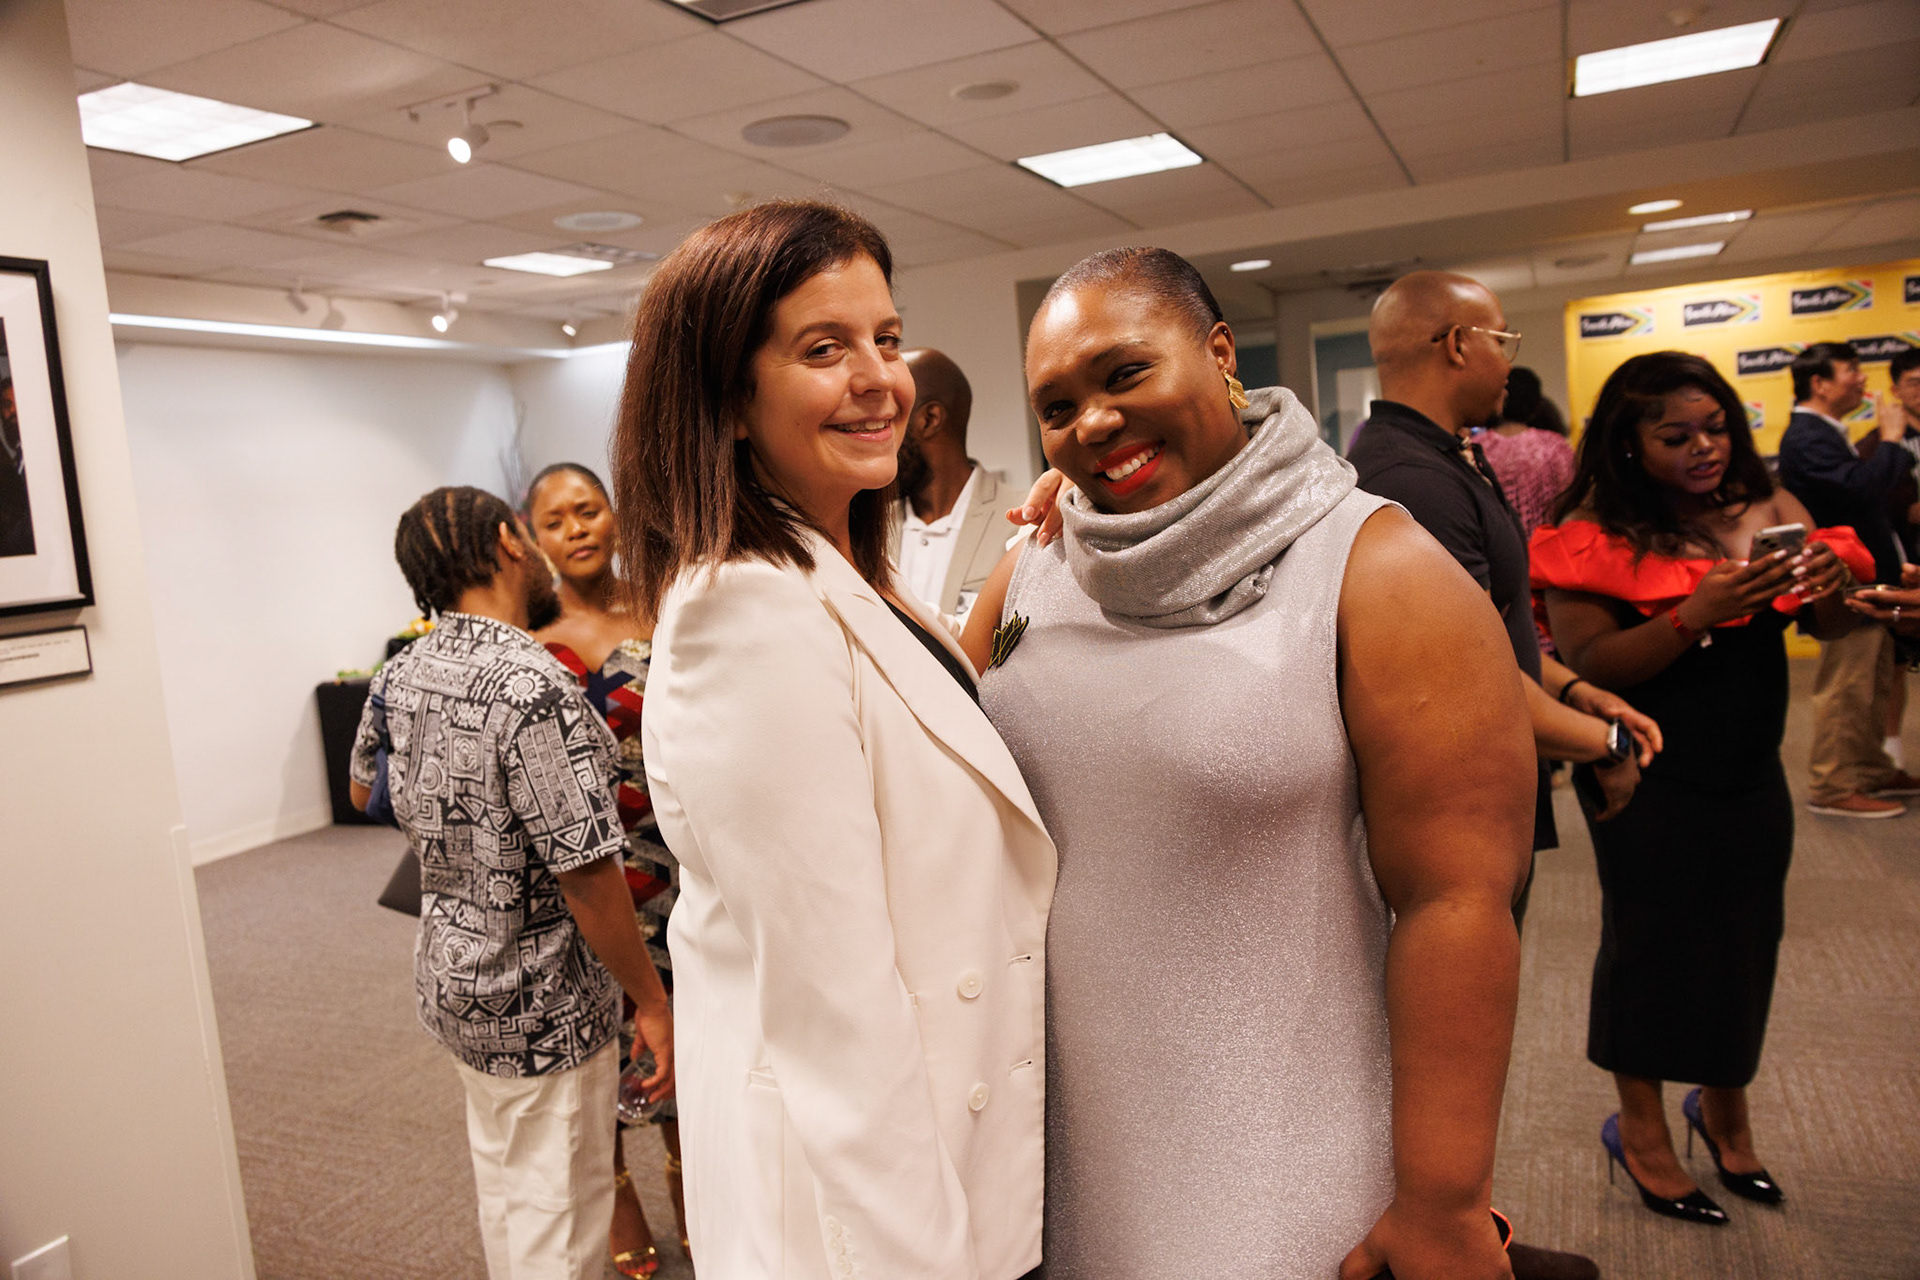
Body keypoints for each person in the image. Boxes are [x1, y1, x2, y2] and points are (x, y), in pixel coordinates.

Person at [971, 246, 1535, 1280]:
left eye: (1124, 373)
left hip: (1275, 1151)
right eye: (1057, 407)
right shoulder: (1032, 567)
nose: (1092, 421)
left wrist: (1444, 1200)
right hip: (1049, 1133)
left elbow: (1457, 899)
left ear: (1220, 353)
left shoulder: (1378, 567)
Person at [611, 200, 1054, 1280]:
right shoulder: (746, 614)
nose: (880, 379)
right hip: (869, 1218)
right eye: (824, 349)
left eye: (886, 338)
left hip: (955, 1136)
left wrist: (1054, 548)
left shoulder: (852, 570)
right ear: (728, 399)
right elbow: (837, 1014)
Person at [1530, 352, 1870, 1227]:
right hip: (1646, 770)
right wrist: (1694, 615)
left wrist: (1832, 586)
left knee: (1745, 943)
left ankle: (1725, 1115)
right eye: (1675, 436)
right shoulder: (1591, 530)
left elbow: (1831, 627)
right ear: (1629, 443)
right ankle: (1641, 1131)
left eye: (1715, 427)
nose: (1705, 448)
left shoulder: (1768, 503)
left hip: (1752, 769)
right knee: (1650, 951)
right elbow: (1594, 663)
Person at [348, 486, 674, 1280]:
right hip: (543, 1001)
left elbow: (362, 791)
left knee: (504, 1189)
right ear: (507, 541)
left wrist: (458, 824)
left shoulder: (404, 668)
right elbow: (587, 876)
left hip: (455, 982)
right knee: (559, 1221)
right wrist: (652, 1001)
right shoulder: (534, 686)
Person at [1349, 272, 1659, 928]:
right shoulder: (1414, 480)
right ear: (1458, 344)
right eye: (1502, 340)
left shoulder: (1449, 456)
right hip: (1455, 812)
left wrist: (1574, 690)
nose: (1510, 364)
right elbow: (1467, 673)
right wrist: (1607, 743)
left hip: (1491, 787)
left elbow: (1495, 631)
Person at [524, 462, 687, 1279]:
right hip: (578, 877)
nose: (576, 529)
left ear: (615, 516)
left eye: (587, 510)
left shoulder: (662, 607)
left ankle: (696, 1178)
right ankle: (619, 1192)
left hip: (672, 859)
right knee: (598, 1035)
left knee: (686, 1023)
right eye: (555, 521)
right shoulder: (526, 636)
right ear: (534, 541)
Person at [1776, 341, 1920, 816]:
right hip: (1843, 580)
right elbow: (1862, 491)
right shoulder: (1806, 436)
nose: (1862, 378)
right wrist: (1893, 439)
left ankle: (1870, 768)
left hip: (1866, 578)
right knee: (1847, 684)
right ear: (1819, 384)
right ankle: (1833, 785)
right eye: (1851, 369)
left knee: (1873, 682)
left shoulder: (1826, 432)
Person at [890, 346, 1011, 620]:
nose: (875, 434)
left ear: (929, 419)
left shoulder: (1024, 521)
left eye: (889, 418)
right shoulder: (863, 529)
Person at [1857, 345, 1920, 766]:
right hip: (1905, 562)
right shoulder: (1878, 443)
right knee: (1895, 663)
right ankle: (1891, 755)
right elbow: (1872, 500)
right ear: (1895, 389)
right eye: (1914, 383)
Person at [1475, 366, 1576, 545]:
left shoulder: (1477, 449)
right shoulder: (1555, 447)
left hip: (1496, 552)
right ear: (1535, 403)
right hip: (1549, 550)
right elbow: (1569, 504)